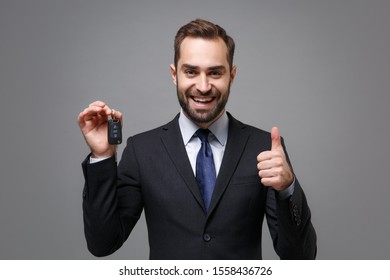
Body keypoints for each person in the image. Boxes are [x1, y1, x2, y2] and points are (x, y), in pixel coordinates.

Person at [77, 18, 316, 259]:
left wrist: (287, 188)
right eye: (191, 71)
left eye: (215, 73)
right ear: (174, 74)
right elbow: (102, 243)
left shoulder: (264, 148)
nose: (203, 86)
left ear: (231, 76)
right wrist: (102, 157)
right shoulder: (142, 151)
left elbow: (301, 258)